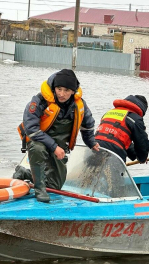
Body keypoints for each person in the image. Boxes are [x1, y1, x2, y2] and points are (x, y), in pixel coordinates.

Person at [16, 69, 99, 203]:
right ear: (54, 88)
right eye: (59, 89)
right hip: (38, 140)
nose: (62, 94)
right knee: (38, 148)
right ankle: (39, 189)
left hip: (60, 146)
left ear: (73, 91)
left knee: (55, 186)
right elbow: (31, 129)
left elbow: (88, 124)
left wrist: (91, 142)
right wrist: (54, 147)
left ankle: (24, 173)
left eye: (66, 90)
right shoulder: (39, 101)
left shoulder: (79, 105)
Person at [94, 95, 149, 163]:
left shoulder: (109, 112)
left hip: (94, 146)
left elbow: (119, 139)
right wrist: (142, 158)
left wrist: (135, 154)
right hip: (114, 152)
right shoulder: (135, 118)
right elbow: (142, 142)